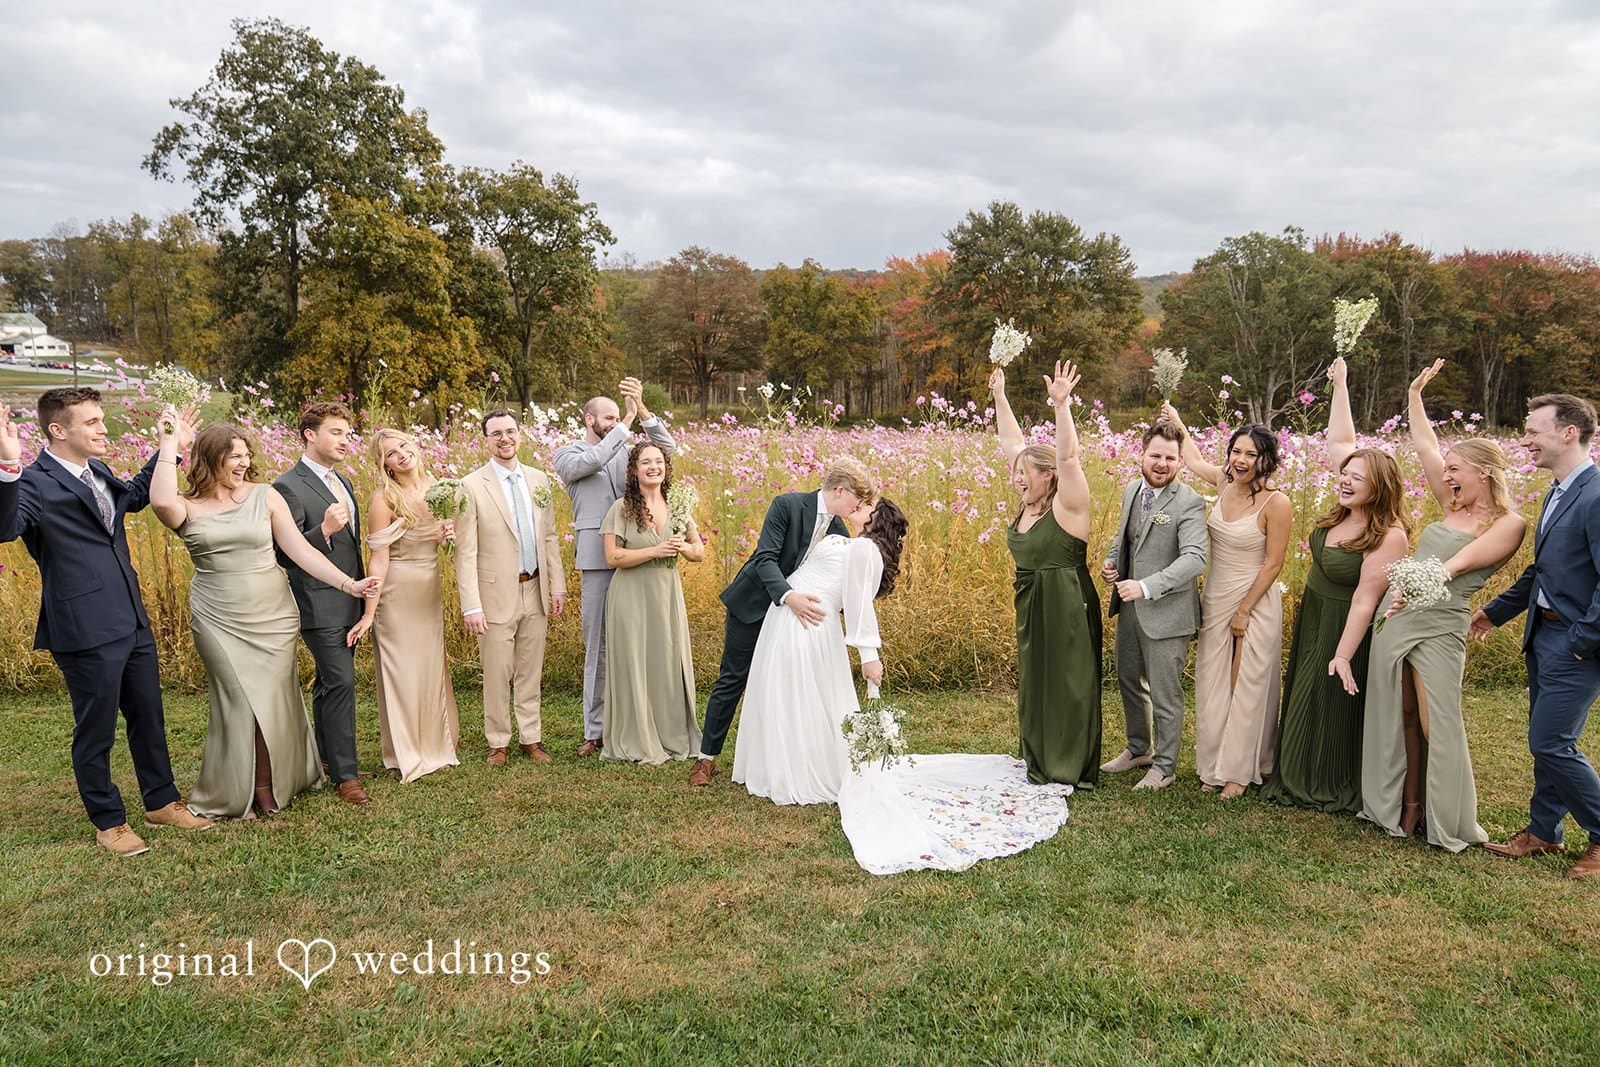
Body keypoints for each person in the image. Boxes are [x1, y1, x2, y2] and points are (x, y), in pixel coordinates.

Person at [0, 394, 213, 856]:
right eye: (92, 422)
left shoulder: (96, 471)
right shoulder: (34, 482)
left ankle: (161, 802)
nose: (103, 429)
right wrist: (7, 466)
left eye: (101, 420)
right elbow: (5, 527)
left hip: (131, 617)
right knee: (96, 730)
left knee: (148, 716)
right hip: (83, 627)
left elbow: (133, 496)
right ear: (58, 430)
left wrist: (170, 447)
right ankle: (109, 821)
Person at [148, 415, 380, 820]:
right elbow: (161, 502)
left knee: (272, 700)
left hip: (273, 614)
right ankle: (240, 788)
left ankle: (268, 783)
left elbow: (299, 551)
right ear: (209, 459)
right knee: (239, 699)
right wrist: (170, 443)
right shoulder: (186, 505)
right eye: (233, 456)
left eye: (245, 455)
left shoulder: (265, 495)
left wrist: (349, 585)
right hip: (218, 616)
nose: (243, 463)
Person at [1359, 362, 1525, 850]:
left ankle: (1448, 818)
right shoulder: (1453, 504)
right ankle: (1407, 805)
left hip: (1440, 621)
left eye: (1455, 469)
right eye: (1447, 469)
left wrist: (1416, 583)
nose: (1445, 475)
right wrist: (1414, 394)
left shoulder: (1507, 523)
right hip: (1398, 614)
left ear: (1483, 471)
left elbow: (1457, 565)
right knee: (1402, 713)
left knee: (1438, 721)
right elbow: (1426, 447)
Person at [1261, 358, 1410, 814]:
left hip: (1347, 624)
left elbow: (1366, 600)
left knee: (1328, 698)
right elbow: (1341, 442)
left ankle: (1325, 779)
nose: (1344, 480)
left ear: (1378, 488)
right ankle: (1293, 770)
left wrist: (1343, 654)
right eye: (1344, 474)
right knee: (1304, 689)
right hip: (1315, 612)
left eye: (1356, 478)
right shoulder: (1343, 511)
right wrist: (1341, 384)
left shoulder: (1390, 535)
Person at [1472, 392, 1600, 878]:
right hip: (1542, 636)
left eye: (1532, 431)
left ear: (1569, 433)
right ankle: (1545, 832)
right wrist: (1494, 613)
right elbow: (1542, 571)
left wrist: (1582, 641)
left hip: (1576, 643)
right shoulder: (1559, 491)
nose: (1524, 440)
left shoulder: (1596, 495)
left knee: (1551, 742)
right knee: (1545, 739)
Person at [690, 457, 878, 787]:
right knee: (733, 678)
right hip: (754, 605)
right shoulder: (787, 505)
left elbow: (840, 579)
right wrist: (789, 596)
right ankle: (706, 759)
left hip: (793, 623)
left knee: (786, 686)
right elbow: (765, 559)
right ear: (839, 490)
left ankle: (780, 761)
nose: (859, 506)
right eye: (857, 499)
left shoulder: (838, 529)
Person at [1162, 402, 1292, 799]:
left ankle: (1239, 771)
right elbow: (1192, 459)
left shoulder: (1277, 503)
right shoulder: (1223, 483)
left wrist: (1245, 610)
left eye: (1251, 454)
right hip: (1216, 596)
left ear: (1266, 460)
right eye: (1236, 451)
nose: (1241, 460)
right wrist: (1177, 422)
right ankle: (1214, 765)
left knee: (1246, 684)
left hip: (1254, 599)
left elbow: (1274, 563)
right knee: (1212, 682)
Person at [991, 362, 1102, 788]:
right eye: (1016, 473)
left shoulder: (1068, 505)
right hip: (1032, 603)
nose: (1016, 479)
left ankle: (1069, 763)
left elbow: (1069, 457)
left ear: (1047, 475)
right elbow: (1012, 442)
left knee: (1069, 682)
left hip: (1068, 601)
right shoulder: (1028, 501)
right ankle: (1039, 752)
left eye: (1024, 474)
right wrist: (1000, 395)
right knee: (1036, 679)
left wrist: (1061, 405)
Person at [554, 378, 676, 758]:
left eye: (616, 415)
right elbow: (594, 461)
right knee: (599, 647)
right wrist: (625, 422)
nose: (615, 421)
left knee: (640, 641)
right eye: (607, 416)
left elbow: (667, 450)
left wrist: (642, 410)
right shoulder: (568, 454)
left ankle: (639, 721)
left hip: (641, 556)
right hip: (598, 560)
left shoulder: (628, 453)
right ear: (588, 419)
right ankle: (595, 731)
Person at [1098, 420, 1209, 791]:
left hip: (1168, 611)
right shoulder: (1132, 489)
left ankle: (1164, 766)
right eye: (1156, 456)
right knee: (1129, 679)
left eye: (1170, 458)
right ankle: (1138, 748)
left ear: (1179, 461)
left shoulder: (1189, 501)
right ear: (1142, 454)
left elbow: (1195, 558)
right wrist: (1111, 562)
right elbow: (1124, 539)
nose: (1162, 464)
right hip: (1130, 607)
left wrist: (1147, 586)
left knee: (1165, 693)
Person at [455, 409, 567, 766]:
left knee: (530, 670)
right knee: (497, 672)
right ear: (486, 441)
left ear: (520, 435)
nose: (505, 438)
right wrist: (471, 605)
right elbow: (465, 550)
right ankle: (498, 741)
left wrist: (557, 586)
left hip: (535, 587)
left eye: (510, 431)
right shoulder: (471, 485)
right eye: (496, 433)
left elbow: (549, 537)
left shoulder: (538, 480)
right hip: (493, 594)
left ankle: (531, 737)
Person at [272, 401, 370, 805]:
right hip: (317, 602)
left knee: (330, 683)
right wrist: (324, 531)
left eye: (348, 434)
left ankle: (327, 759)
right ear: (310, 435)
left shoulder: (342, 481)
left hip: (350, 598)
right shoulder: (286, 486)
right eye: (336, 432)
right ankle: (347, 777)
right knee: (342, 681)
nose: (346, 440)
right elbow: (284, 553)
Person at [356, 428, 461, 783]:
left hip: (428, 588)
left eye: (403, 445)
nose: (401, 454)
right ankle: (409, 750)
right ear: (385, 465)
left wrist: (447, 537)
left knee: (430, 664)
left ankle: (436, 742)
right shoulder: (384, 499)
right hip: (397, 591)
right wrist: (369, 612)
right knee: (402, 669)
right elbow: (379, 559)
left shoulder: (440, 489)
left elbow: (447, 545)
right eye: (391, 453)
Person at [600, 443, 704, 763]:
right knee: (635, 662)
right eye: (646, 462)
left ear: (666, 468)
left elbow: (698, 552)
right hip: (630, 595)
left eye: (658, 461)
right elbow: (612, 557)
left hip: (667, 593)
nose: (653, 467)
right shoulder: (620, 508)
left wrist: (683, 548)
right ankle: (637, 736)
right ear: (634, 470)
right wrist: (654, 551)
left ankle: (670, 734)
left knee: (667, 662)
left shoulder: (678, 505)